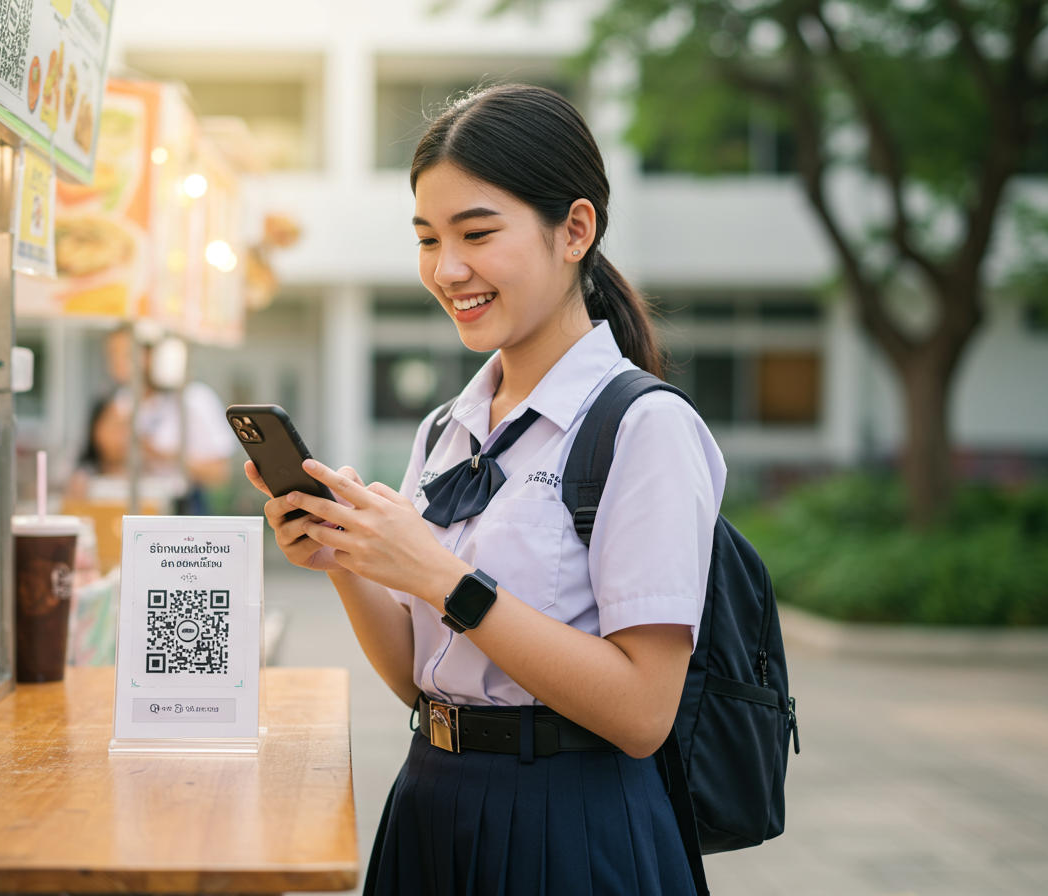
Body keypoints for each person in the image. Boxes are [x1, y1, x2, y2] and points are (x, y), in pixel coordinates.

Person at [244, 85, 725, 895]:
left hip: (573, 826)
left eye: (476, 233)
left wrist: (438, 575)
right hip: (432, 800)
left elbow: (644, 712)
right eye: (428, 239)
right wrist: (349, 561)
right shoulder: (446, 428)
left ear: (575, 230)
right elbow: (419, 677)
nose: (447, 269)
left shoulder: (645, 428)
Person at [82, 326, 235, 515]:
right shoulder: (117, 404)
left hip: (182, 509)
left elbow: (219, 473)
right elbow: (104, 459)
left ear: (153, 354)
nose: (116, 364)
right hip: (130, 506)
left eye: (125, 354)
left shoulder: (194, 400)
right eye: (111, 355)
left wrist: (158, 453)